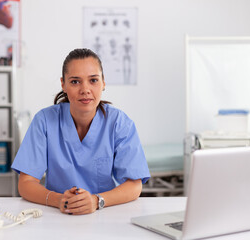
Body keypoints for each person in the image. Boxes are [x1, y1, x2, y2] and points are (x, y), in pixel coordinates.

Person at [11, 48, 150, 215]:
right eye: (75, 81)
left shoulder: (119, 123)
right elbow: (25, 183)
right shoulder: (45, 121)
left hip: (103, 214)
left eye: (93, 80)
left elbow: (135, 185)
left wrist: (96, 201)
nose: (85, 89)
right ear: (63, 84)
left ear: (103, 83)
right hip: (56, 215)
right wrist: (59, 200)